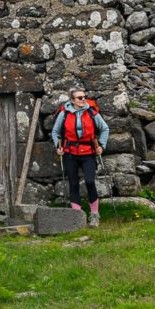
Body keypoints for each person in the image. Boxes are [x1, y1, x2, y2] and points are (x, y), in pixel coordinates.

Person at [51, 88, 110, 226]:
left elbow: (104, 128)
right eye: (79, 98)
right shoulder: (64, 114)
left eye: (84, 97)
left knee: (90, 181)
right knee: (73, 183)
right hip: (70, 153)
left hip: (88, 153)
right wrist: (57, 147)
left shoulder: (91, 112)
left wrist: (101, 145)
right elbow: (55, 131)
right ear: (72, 100)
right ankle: (76, 217)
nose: (83, 99)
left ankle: (95, 215)